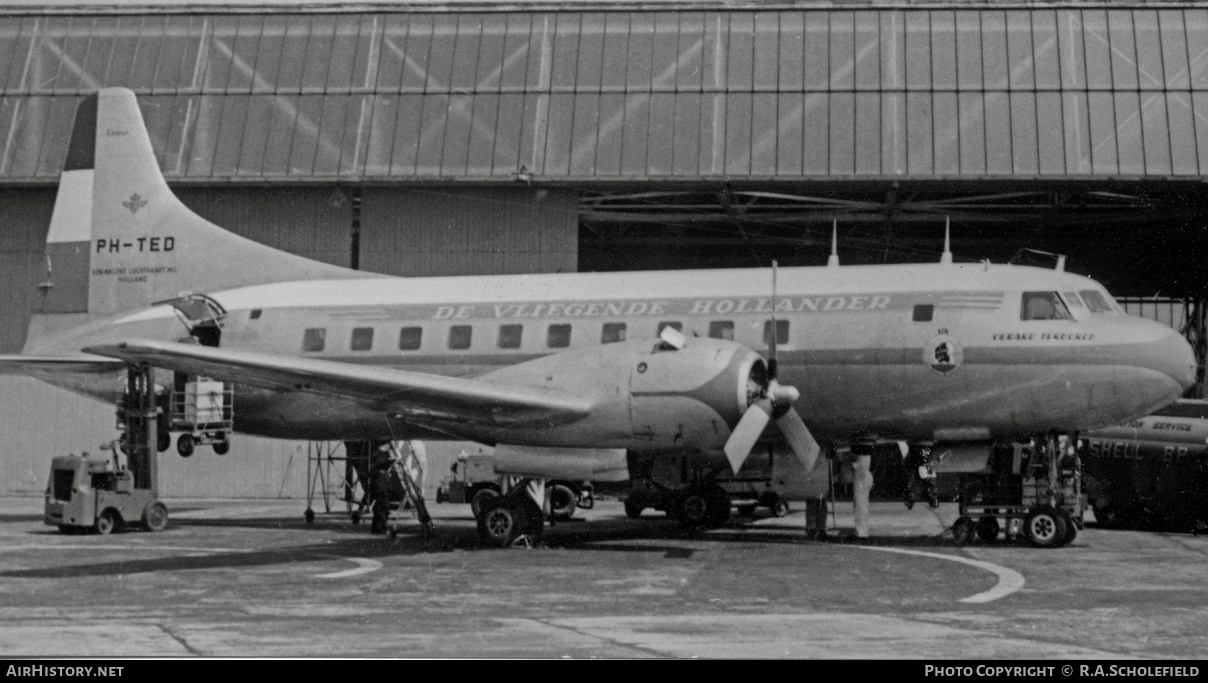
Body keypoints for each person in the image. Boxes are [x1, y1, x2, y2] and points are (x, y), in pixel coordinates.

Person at [368, 446, 395, 534]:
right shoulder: (379, 454)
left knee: (381, 507)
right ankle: (380, 528)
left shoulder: (381, 454)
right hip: (380, 485)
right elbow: (372, 469)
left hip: (380, 484)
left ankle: (376, 528)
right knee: (382, 507)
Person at [903, 445, 939, 509]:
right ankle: (932, 501)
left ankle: (910, 501)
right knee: (924, 484)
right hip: (921, 461)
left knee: (921, 484)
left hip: (921, 462)